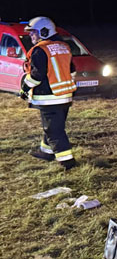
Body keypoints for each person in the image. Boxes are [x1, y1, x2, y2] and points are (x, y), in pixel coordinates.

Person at [20, 17, 78, 170]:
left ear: (43, 32)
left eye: (33, 33)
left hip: (48, 98)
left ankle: (68, 162)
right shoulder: (64, 47)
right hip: (65, 96)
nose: (31, 36)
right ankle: (46, 152)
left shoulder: (40, 50)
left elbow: (36, 76)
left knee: (54, 131)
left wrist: (24, 88)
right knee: (54, 127)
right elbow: (72, 71)